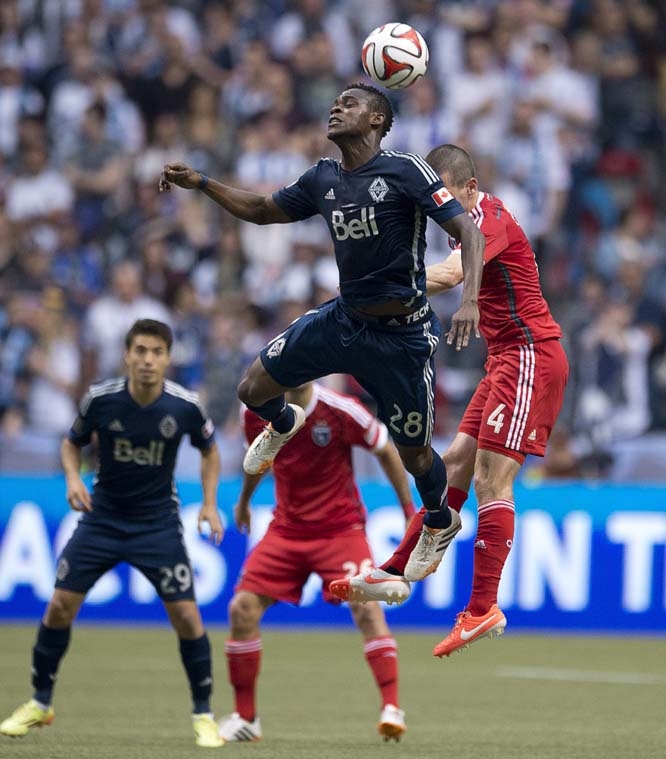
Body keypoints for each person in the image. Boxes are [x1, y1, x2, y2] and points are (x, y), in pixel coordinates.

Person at [160, 82, 486, 585]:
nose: (336, 107)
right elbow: (263, 210)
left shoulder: (405, 170)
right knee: (252, 390)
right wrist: (203, 182)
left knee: (416, 453)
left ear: (377, 120)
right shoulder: (323, 179)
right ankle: (283, 421)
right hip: (346, 319)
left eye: (350, 103)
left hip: (403, 337)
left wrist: (467, 303)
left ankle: (440, 521)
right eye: (335, 101)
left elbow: (470, 231)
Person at [331, 144, 569, 658]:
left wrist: (371, 291)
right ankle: (397, 567)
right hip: (505, 358)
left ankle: (483, 608)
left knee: (491, 478)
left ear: (467, 187)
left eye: (442, 193)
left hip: (532, 354)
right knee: (455, 461)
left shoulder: (488, 215)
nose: (435, 204)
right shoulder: (462, 218)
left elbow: (452, 272)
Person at [0, 319, 225, 748]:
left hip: (157, 524)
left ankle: (204, 714)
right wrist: (71, 479)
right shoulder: (101, 401)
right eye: (140, 350)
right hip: (102, 519)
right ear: (127, 355)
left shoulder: (184, 406)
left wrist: (211, 504)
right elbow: (71, 442)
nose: (147, 360)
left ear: (167, 358)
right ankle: (40, 702)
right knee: (60, 606)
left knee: (187, 617)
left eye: (156, 352)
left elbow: (210, 450)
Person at [219, 381, 416, 743]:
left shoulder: (342, 410)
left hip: (340, 530)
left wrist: (408, 510)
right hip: (287, 530)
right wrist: (244, 502)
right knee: (241, 609)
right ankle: (245, 718)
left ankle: (392, 708)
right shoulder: (257, 412)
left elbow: (385, 448)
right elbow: (258, 459)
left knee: (366, 607)